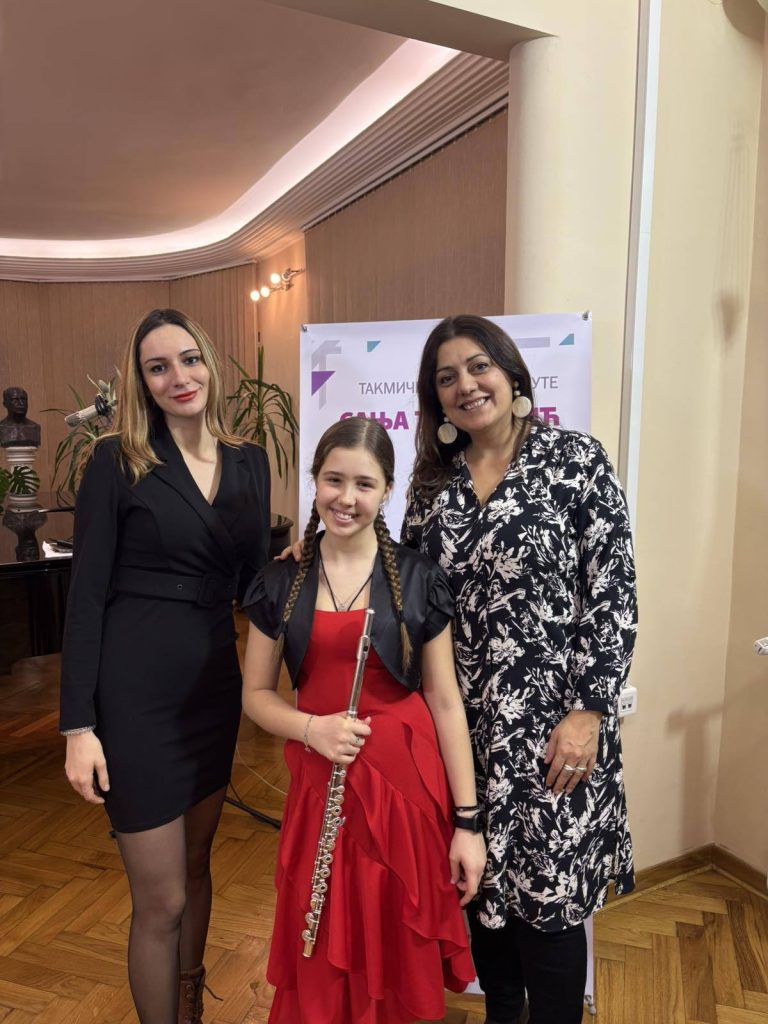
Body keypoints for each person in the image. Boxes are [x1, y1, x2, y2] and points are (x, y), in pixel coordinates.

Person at [401, 315, 637, 1024]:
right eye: (447, 377)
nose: (467, 385)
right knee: (482, 894)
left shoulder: (575, 460)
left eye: (479, 367)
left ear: (510, 374)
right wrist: (314, 547)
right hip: (463, 732)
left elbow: (614, 593)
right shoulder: (431, 486)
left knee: (551, 905)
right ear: (437, 400)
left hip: (555, 732)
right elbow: (399, 584)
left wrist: (589, 712)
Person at [59, 308, 271, 1024]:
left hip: (211, 688)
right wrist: (78, 726)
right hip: (134, 698)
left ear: (208, 362)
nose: (178, 377)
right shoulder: (116, 461)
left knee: (199, 865)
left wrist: (315, 569)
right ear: (140, 381)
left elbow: (255, 583)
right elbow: (85, 599)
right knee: (163, 898)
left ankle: (190, 1009)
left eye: (188, 359)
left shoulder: (249, 459)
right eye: (158, 367)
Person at [241, 417, 485, 1024]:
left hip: (405, 792)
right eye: (333, 480)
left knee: (394, 930)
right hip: (320, 779)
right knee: (322, 928)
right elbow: (256, 696)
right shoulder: (281, 579)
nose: (346, 498)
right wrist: (312, 730)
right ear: (314, 481)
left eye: (364, 484)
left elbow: (445, 702)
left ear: (387, 490)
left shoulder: (420, 578)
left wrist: (467, 823)